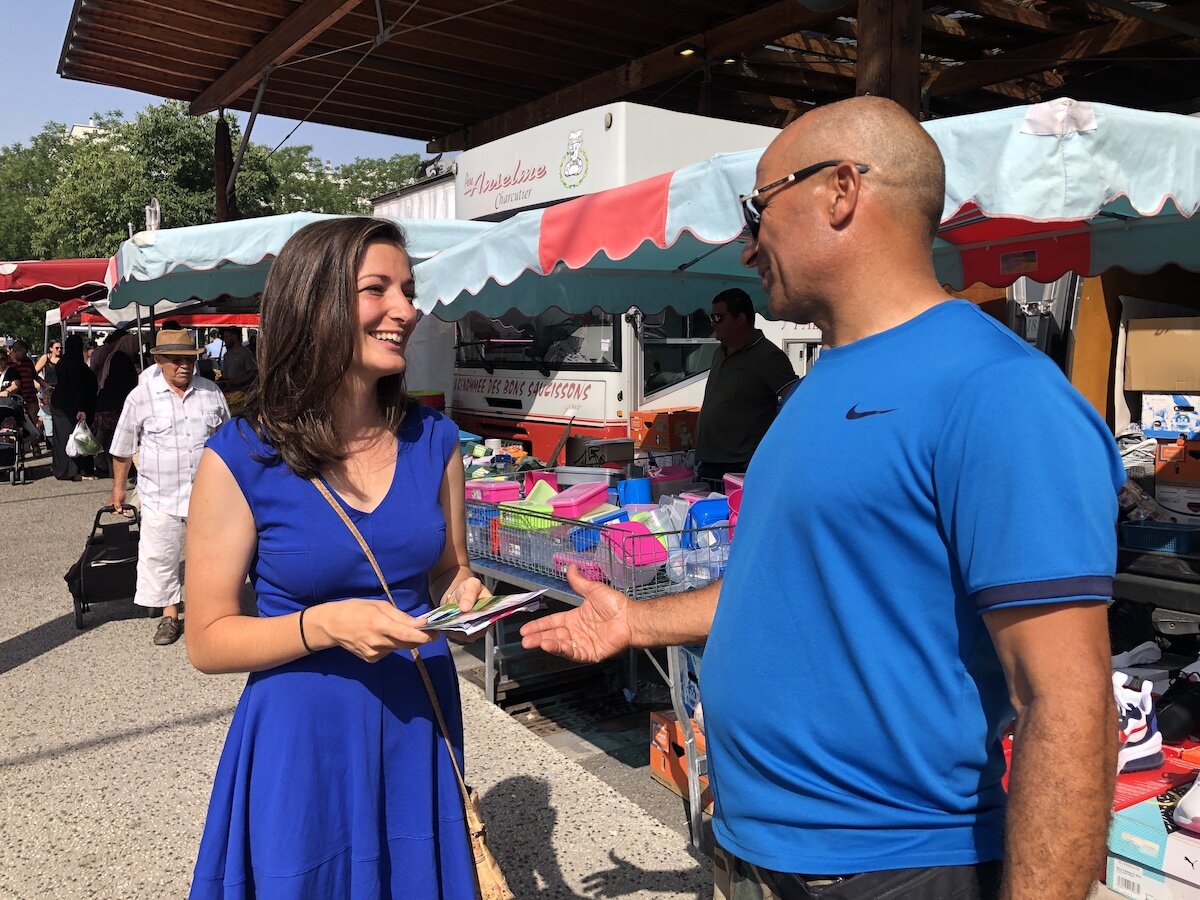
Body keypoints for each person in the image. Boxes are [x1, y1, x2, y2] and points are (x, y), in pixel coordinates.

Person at [522, 96, 1124, 900]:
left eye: (757, 207)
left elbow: (1069, 706)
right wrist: (638, 621)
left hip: (891, 870)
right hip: (758, 848)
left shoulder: (999, 393)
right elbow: (800, 585)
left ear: (842, 189)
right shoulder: (825, 379)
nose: (746, 243)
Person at [185, 217, 488, 898]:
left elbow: (450, 567)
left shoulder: (436, 438)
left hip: (417, 716)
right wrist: (325, 625)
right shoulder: (241, 455)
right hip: (303, 736)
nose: (406, 311)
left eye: (408, 290)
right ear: (314, 302)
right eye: (376, 289)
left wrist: (464, 588)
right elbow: (205, 640)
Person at [108, 330, 229, 645]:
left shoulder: (210, 392)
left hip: (207, 494)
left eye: (189, 359)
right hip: (159, 492)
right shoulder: (141, 396)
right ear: (158, 360)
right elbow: (122, 448)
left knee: (212, 555)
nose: (184, 366)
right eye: (175, 360)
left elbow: (228, 441)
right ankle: (169, 615)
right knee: (160, 555)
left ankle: (212, 613)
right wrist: (118, 489)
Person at [694, 288, 796, 490]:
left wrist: (766, 452)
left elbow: (795, 406)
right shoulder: (719, 352)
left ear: (740, 318)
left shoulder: (768, 356)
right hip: (708, 462)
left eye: (718, 317)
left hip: (740, 466)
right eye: (711, 317)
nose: (713, 323)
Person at [48, 335, 97, 481]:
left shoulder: (62, 362)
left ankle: (63, 470)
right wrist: (81, 408)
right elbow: (77, 388)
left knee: (62, 439)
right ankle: (78, 471)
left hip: (58, 404)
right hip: (73, 405)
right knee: (79, 435)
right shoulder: (76, 364)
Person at [217, 326, 256, 391]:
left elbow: (252, 373)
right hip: (229, 391)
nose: (225, 340)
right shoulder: (226, 355)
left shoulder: (246, 353)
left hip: (243, 391)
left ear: (234, 337)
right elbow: (225, 375)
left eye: (226, 337)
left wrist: (236, 381)